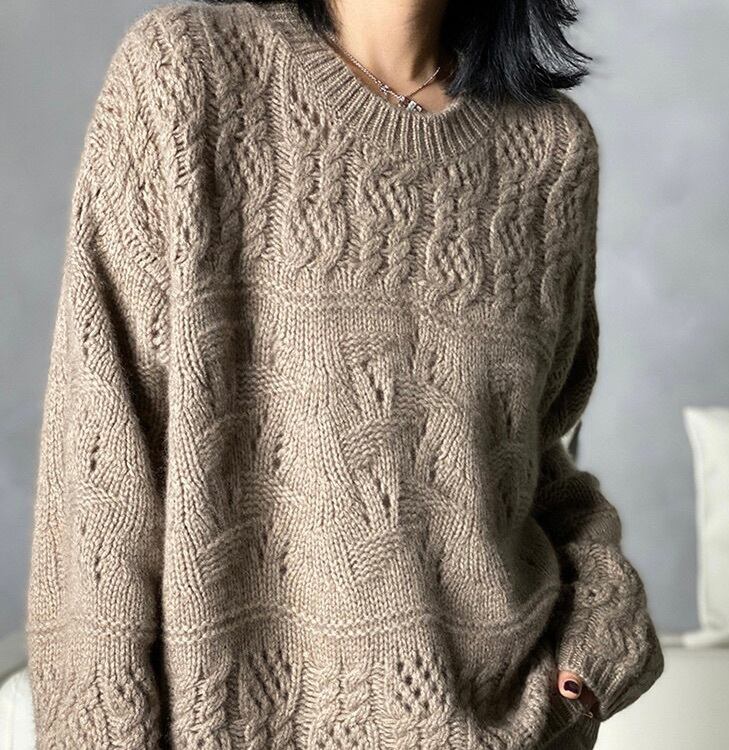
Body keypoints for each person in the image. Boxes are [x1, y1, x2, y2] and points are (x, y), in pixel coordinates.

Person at [24, 0, 664, 747]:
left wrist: (599, 616)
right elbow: (98, 474)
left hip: (513, 720)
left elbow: (526, 457)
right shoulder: (187, 74)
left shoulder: (550, 152)